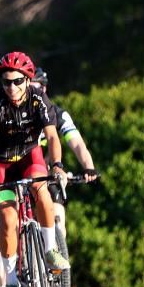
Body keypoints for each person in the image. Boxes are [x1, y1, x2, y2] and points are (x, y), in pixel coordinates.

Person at [0, 51, 70, 287]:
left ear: (28, 80)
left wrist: (57, 166)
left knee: (42, 191)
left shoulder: (39, 98)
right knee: (7, 220)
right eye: (7, 82)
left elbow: (52, 137)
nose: (12, 88)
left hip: (30, 156)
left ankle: (50, 248)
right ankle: (10, 284)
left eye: (18, 81)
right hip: (1, 165)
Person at [30, 67, 98, 237]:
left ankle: (60, 248)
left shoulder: (58, 114)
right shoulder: (18, 114)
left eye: (35, 88)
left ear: (44, 89)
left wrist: (89, 167)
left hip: (48, 171)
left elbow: (77, 143)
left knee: (58, 213)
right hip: (25, 169)